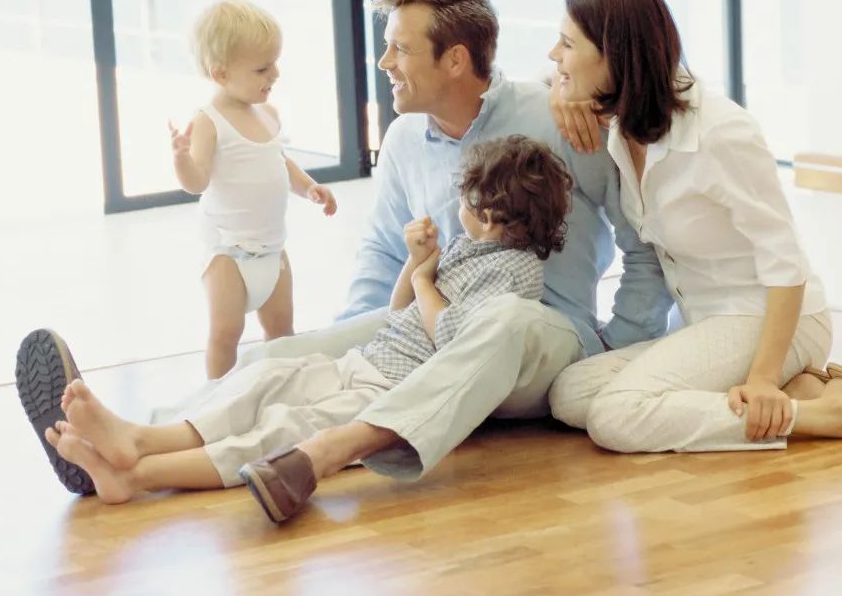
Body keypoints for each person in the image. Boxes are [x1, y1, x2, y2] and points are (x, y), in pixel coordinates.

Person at [18, 0, 673, 515]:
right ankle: (130, 441)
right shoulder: (405, 141)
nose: (383, 64)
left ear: (453, 58)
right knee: (290, 359)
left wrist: (619, 347)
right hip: (427, 334)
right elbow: (385, 257)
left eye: (398, 49)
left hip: (543, 338)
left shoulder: (559, 117)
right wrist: (350, 350)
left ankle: (272, 446)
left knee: (501, 321)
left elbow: (643, 242)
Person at [29, 135, 574, 519]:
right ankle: (140, 439)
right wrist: (418, 263)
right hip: (365, 362)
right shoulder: (468, 247)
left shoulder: (515, 272)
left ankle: (137, 476)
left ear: (492, 214)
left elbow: (454, 338)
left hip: (391, 391)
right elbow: (400, 308)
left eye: (468, 198)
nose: (459, 205)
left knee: (282, 430)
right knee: (262, 383)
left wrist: (430, 283)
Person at [545, 0, 842, 455]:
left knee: (615, 417)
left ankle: (822, 413)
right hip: (707, 323)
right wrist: (560, 94)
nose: (554, 53)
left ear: (614, 55)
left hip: (768, 319)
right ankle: (798, 390)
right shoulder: (624, 119)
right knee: (571, 393)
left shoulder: (720, 132)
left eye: (567, 43)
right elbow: (536, 81)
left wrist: (763, 378)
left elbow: (786, 262)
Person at [172, 0, 337, 379]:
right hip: (229, 252)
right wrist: (181, 158)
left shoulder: (268, 114)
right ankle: (215, 398)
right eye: (263, 68)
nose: (275, 74)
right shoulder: (209, 121)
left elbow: (278, 162)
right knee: (225, 333)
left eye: (275, 63)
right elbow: (197, 182)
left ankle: (278, 386)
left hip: (273, 249)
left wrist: (310, 187)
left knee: (281, 332)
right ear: (221, 74)